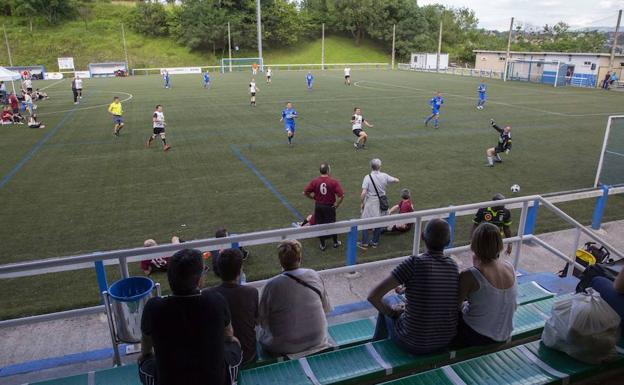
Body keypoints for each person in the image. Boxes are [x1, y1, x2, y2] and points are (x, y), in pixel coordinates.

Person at [139, 248, 239, 385]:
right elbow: (229, 336)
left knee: (145, 361)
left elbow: (145, 349)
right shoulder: (216, 301)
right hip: (214, 380)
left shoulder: (154, 307)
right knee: (234, 345)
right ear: (199, 280)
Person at [367, 219, 459, 354]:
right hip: (444, 341)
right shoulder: (453, 266)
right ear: (448, 241)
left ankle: (375, 349)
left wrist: (393, 313)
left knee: (387, 302)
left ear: (422, 236)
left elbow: (373, 296)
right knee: (401, 305)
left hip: (413, 342)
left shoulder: (414, 263)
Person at [258, 240, 332, 356]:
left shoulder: (271, 285)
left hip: (283, 346)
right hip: (317, 339)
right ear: (300, 258)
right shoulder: (314, 275)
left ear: (280, 261)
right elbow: (326, 309)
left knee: (258, 332)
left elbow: (262, 321)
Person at [456, 223, 517, 346]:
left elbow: (452, 308)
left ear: (475, 244)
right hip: (505, 334)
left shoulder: (469, 275)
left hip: (477, 336)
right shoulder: (509, 267)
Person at [208, 248, 259, 365]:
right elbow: (256, 321)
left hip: (224, 359)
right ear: (240, 270)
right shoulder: (251, 292)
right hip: (247, 356)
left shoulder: (209, 295)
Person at [303, 163, 345, 251]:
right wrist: (337, 204)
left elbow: (305, 192)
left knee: (319, 225)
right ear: (328, 170)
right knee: (332, 224)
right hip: (329, 206)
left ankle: (322, 245)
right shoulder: (333, 181)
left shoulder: (315, 181)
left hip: (319, 206)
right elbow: (341, 195)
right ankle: (335, 242)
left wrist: (313, 197)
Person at [359, 158, 399, 248]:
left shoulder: (367, 177)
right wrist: (394, 180)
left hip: (371, 201)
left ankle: (365, 242)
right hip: (381, 201)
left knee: (365, 221)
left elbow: (364, 192)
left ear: (371, 167)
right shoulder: (384, 176)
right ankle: (375, 242)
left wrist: (362, 202)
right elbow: (396, 180)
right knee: (379, 221)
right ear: (380, 166)